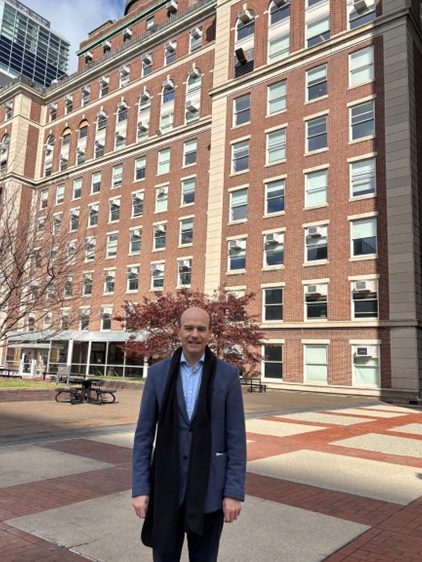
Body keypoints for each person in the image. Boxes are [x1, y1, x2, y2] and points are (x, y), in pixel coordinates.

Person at [132, 306, 247, 562]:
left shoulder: (227, 375)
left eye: (201, 329)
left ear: (210, 333)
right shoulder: (158, 374)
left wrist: (233, 492)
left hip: (210, 492)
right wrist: (140, 489)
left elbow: (236, 439)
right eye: (189, 328)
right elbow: (143, 437)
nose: (194, 334)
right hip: (166, 490)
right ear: (179, 331)